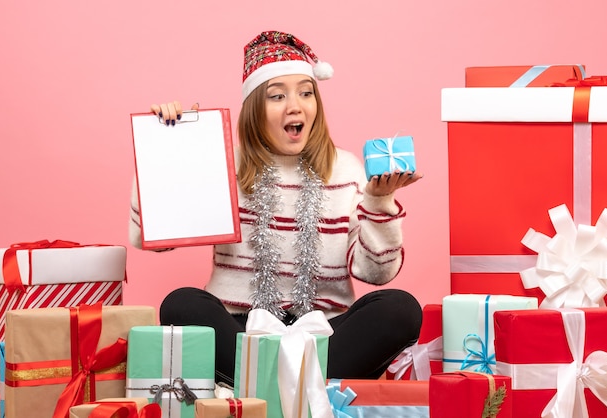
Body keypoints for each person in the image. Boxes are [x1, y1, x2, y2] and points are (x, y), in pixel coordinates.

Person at [129, 30, 424, 387]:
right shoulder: (222, 163)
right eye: (277, 96)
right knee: (181, 303)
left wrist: (379, 202)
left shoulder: (347, 170)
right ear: (255, 107)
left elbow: (376, 273)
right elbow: (155, 238)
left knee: (400, 309)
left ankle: (265, 390)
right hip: (240, 329)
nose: (295, 106)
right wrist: (172, 147)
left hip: (325, 334)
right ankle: (303, 391)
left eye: (305, 92)